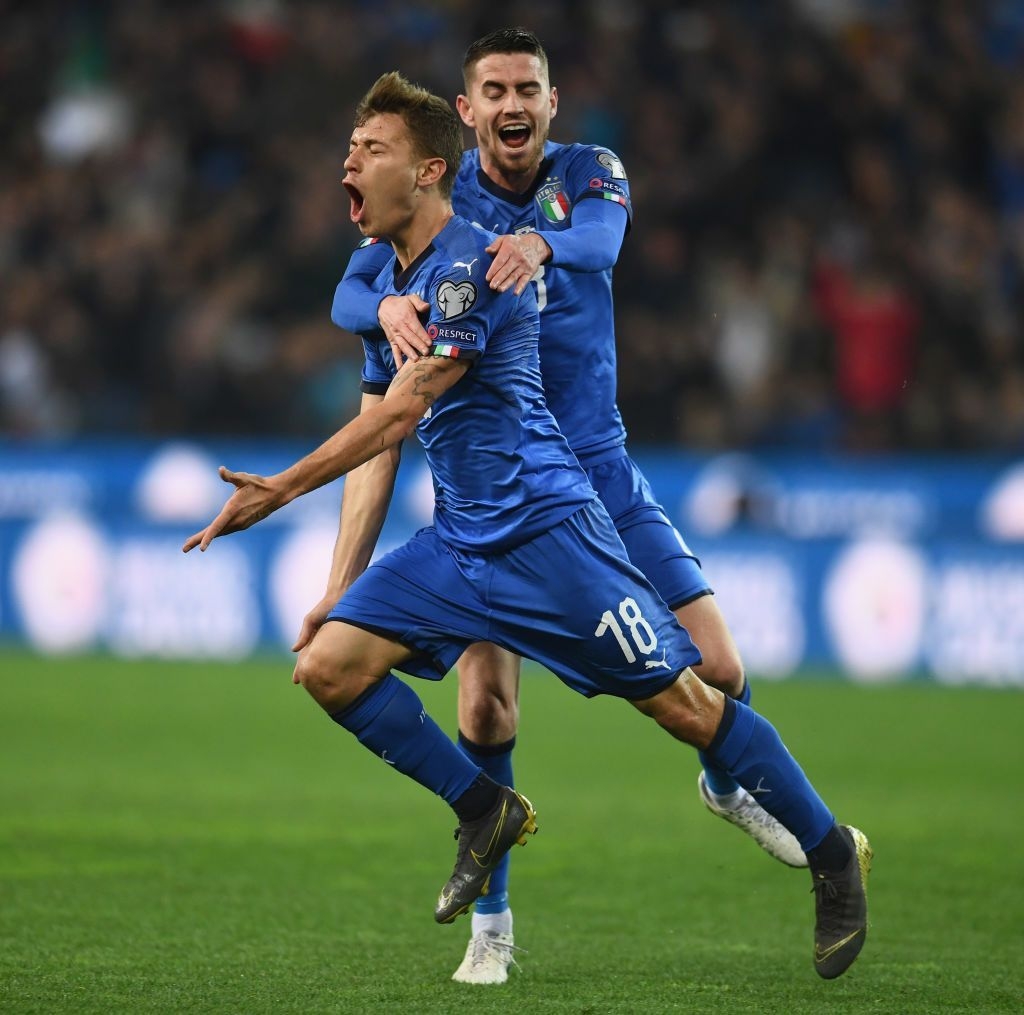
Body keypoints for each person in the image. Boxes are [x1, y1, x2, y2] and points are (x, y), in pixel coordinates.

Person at [184, 69, 871, 985]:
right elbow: (355, 313)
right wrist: (382, 312)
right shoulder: (401, 273)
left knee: (695, 698)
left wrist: (279, 489)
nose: (347, 161)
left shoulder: (473, 265)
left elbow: (393, 419)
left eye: (370, 148)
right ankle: (485, 812)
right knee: (329, 665)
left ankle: (829, 854)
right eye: (349, 147)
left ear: (430, 170)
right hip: (463, 541)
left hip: (551, 534)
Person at [329, 27, 804, 985]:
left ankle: (723, 780)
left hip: (597, 471)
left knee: (719, 664)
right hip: (498, 490)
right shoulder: (437, 201)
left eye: (529, 89)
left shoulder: (589, 173)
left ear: (551, 103)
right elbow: (348, 286)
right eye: (494, 89)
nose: (513, 104)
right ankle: (493, 926)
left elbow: (602, 242)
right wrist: (382, 305)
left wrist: (538, 240)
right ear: (464, 116)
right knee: (488, 702)